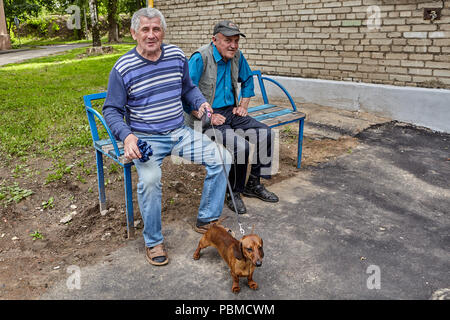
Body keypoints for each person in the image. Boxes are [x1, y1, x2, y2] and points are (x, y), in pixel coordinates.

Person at [102, 8, 231, 266]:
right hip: (145, 138)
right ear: (133, 33)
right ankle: (153, 241)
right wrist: (127, 138)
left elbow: (188, 89)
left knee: (223, 157)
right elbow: (112, 110)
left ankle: (207, 219)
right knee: (150, 181)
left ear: (163, 31)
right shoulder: (123, 68)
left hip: (180, 132)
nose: (151, 35)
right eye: (145, 30)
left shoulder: (175, 56)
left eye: (156, 29)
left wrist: (201, 103)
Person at [184, 20, 279, 215]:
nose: (233, 45)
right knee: (240, 146)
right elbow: (184, 93)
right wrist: (207, 115)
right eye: (228, 40)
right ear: (214, 40)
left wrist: (243, 106)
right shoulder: (200, 58)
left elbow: (247, 80)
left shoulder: (237, 56)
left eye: (236, 41)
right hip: (204, 116)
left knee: (265, 133)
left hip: (230, 111)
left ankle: (254, 183)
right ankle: (233, 193)